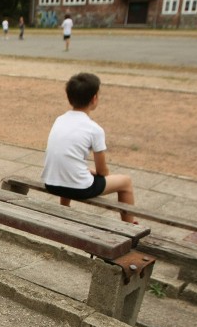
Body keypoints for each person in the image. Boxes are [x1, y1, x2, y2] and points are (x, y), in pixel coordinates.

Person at [40, 73, 137, 223]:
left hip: (51, 183)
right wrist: (96, 173)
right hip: (79, 189)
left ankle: (64, 208)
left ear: (69, 97)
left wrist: (87, 170)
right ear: (94, 98)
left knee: (72, 169)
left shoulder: (60, 120)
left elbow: (65, 155)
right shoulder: (94, 129)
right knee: (126, 182)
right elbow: (102, 171)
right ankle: (129, 225)